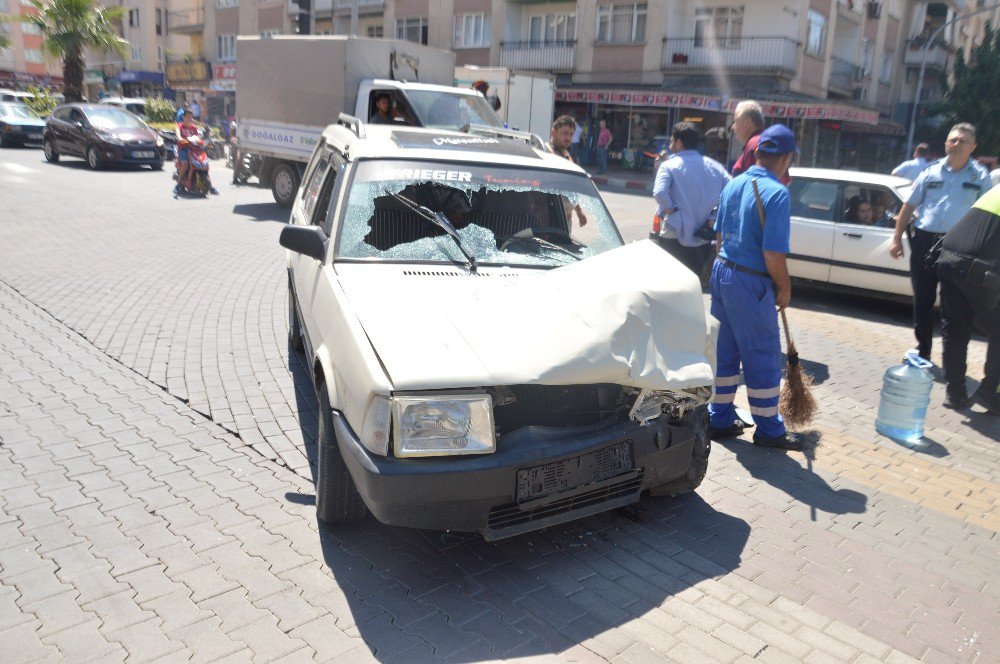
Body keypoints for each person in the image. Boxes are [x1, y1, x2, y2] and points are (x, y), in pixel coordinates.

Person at [708, 124, 804, 450]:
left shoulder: (733, 184)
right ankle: (768, 429)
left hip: (722, 271)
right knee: (762, 353)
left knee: (725, 351)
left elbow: (719, 237)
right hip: (751, 281)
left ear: (759, 152)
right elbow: (773, 254)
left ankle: (718, 417)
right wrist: (784, 288)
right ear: (787, 158)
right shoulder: (777, 194)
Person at [889, 123, 991, 361]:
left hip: (958, 247)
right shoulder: (930, 171)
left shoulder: (980, 177)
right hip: (924, 242)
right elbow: (909, 206)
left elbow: (987, 215)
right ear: (946, 143)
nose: (956, 144)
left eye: (962, 141)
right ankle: (922, 351)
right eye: (952, 140)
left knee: (952, 305)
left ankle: (950, 360)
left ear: (973, 147)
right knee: (922, 300)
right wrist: (896, 239)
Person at [936, 185, 1000, 413]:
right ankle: (991, 392)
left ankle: (955, 393)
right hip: (978, 266)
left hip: (948, 256)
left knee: (955, 327)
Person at [653, 121, 731, 279]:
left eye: (671, 140)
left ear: (678, 142)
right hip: (701, 239)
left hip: (673, 236)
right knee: (691, 284)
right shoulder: (716, 167)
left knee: (668, 283)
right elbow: (732, 193)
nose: (669, 144)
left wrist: (671, 208)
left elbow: (660, 192)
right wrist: (713, 217)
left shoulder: (668, 165)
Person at [548, 115, 588, 228]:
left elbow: (571, 188)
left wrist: (579, 212)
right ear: (553, 132)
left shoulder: (567, 156)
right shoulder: (547, 153)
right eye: (565, 133)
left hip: (565, 220)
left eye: (571, 134)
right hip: (549, 220)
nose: (568, 138)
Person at [174, 109, 218, 195]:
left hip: (194, 149)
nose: (189, 119)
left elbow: (197, 138)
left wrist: (203, 141)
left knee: (203, 164)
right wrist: (180, 139)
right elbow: (178, 136)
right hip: (183, 149)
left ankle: (211, 186)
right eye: (187, 117)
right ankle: (178, 184)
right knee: (186, 164)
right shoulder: (179, 126)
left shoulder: (194, 127)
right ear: (183, 117)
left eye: (191, 117)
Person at [730, 100, 765, 177]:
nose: (733, 127)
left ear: (747, 122)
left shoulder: (754, 144)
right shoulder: (763, 141)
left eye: (735, 121)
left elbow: (752, 183)